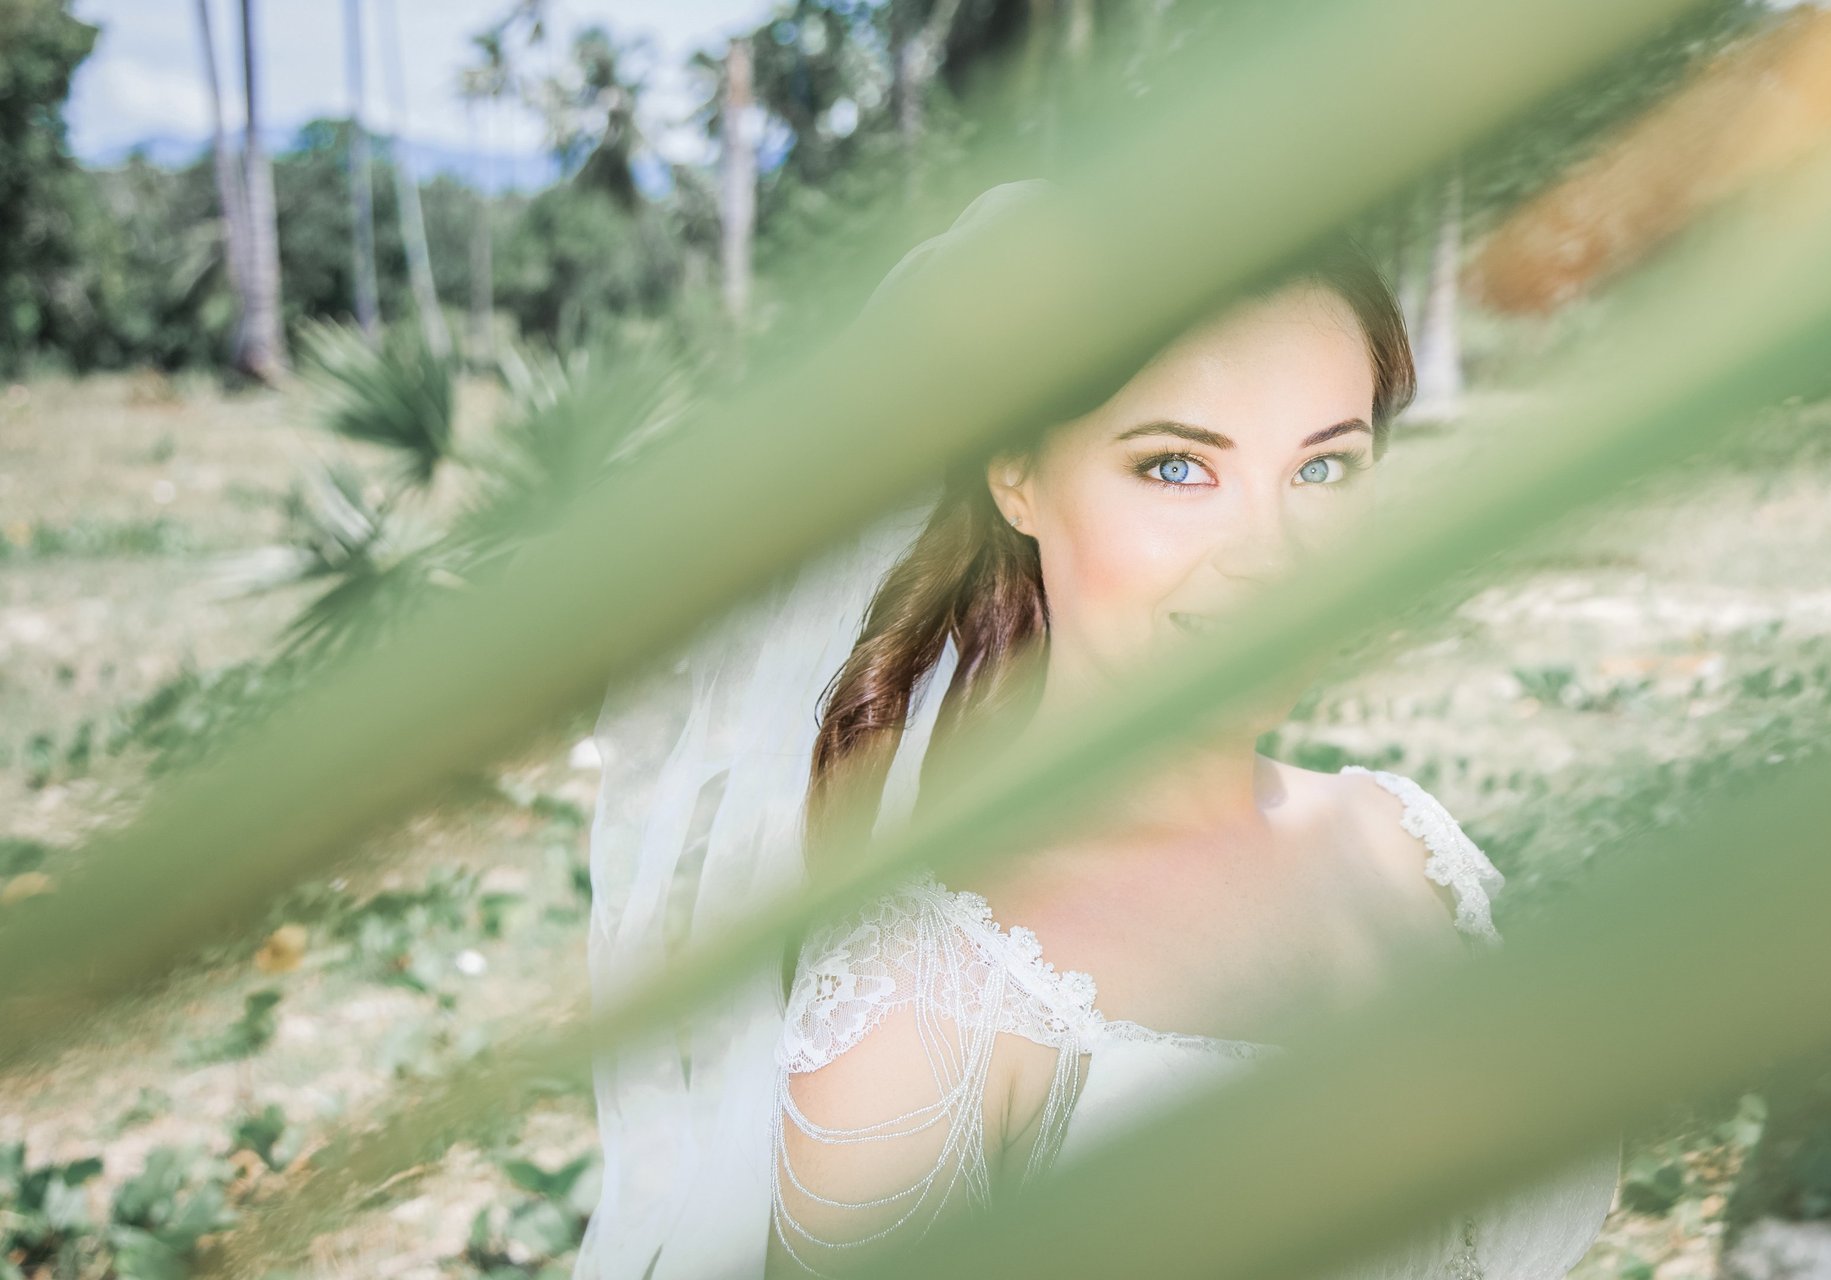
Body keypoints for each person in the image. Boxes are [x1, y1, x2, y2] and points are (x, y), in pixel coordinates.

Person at [575, 182, 1622, 1280]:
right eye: (1176, 465)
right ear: (1017, 474)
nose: (1271, 555)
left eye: (1323, 468)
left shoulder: (1416, 847)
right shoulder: (927, 1003)